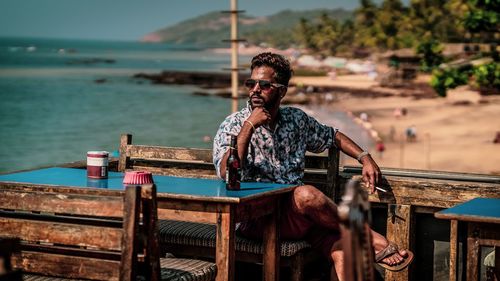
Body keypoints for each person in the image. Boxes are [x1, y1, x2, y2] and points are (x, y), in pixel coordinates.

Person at [213, 52, 413, 280]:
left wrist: (366, 158)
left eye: (264, 84)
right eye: (251, 83)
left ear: (282, 91)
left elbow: (333, 135)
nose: (255, 89)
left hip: (301, 220)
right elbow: (227, 172)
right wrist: (249, 127)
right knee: (306, 194)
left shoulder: (296, 120)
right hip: (256, 218)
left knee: (346, 255)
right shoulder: (233, 125)